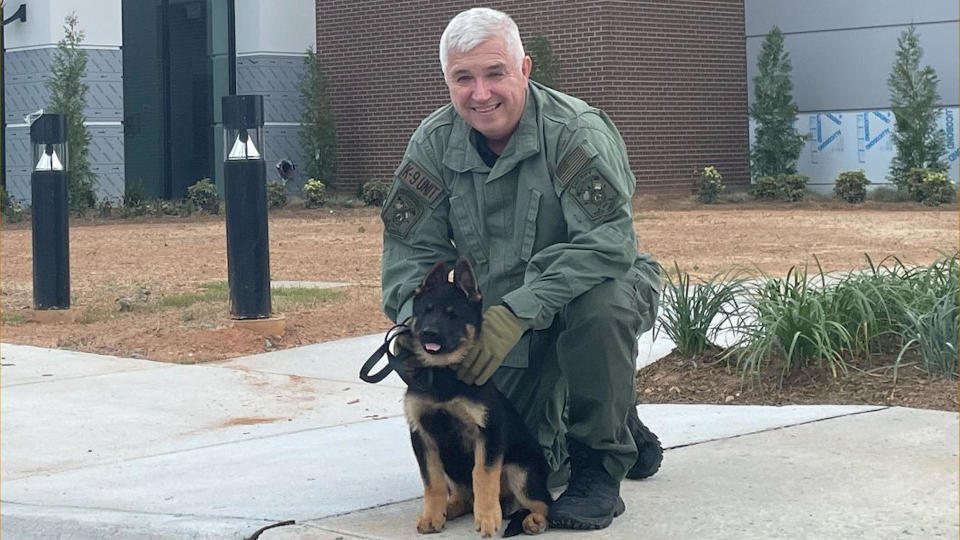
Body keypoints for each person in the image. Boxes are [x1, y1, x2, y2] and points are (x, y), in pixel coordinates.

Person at [380, 7, 662, 531]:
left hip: (595, 286)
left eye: (495, 73)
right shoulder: (433, 143)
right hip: (500, 311)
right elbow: (409, 252)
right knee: (526, 464)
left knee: (600, 311)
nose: (480, 93)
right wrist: (412, 323)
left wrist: (520, 311)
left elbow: (609, 242)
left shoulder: (574, 132)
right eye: (464, 78)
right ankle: (617, 415)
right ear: (447, 81)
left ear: (525, 69)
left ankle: (600, 462)